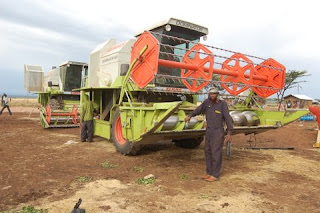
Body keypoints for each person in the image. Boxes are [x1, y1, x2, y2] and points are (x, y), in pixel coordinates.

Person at [185, 88, 233, 182]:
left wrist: (229, 133)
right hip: (209, 131)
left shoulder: (222, 104)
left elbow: (227, 118)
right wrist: (190, 115)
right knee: (208, 151)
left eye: (214, 94)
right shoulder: (207, 103)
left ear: (217, 94)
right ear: (209, 94)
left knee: (216, 152)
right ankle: (209, 172)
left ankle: (215, 175)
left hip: (218, 132)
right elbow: (198, 110)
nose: (212, 95)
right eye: (211, 94)